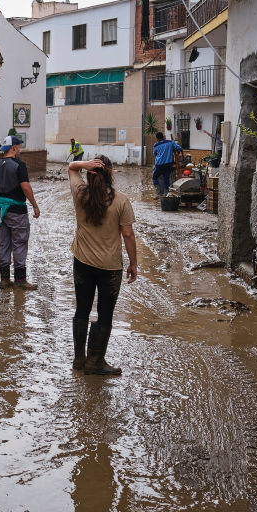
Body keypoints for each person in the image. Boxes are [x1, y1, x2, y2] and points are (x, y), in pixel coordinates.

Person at [68, 155, 137, 375]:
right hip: (110, 267)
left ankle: (79, 360)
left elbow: (70, 167)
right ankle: (95, 362)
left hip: (82, 262)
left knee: (82, 308)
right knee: (104, 313)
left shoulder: (80, 194)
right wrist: (133, 263)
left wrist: (84, 165)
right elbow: (128, 234)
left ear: (89, 173)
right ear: (111, 174)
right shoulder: (121, 200)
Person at [0, 135, 40, 291]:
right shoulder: (19, 165)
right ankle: (20, 280)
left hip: (1, 210)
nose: (20, 149)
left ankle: (4, 280)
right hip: (16, 211)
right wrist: (35, 205)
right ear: (13, 148)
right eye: (18, 146)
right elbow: (25, 187)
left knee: (4, 243)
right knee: (19, 242)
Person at [152, 132, 182, 196]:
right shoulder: (170, 142)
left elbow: (154, 154)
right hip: (168, 164)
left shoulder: (156, 145)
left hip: (159, 165)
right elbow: (179, 148)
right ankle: (166, 193)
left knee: (154, 177)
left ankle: (158, 193)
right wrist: (178, 152)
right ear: (163, 136)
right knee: (166, 178)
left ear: (157, 138)